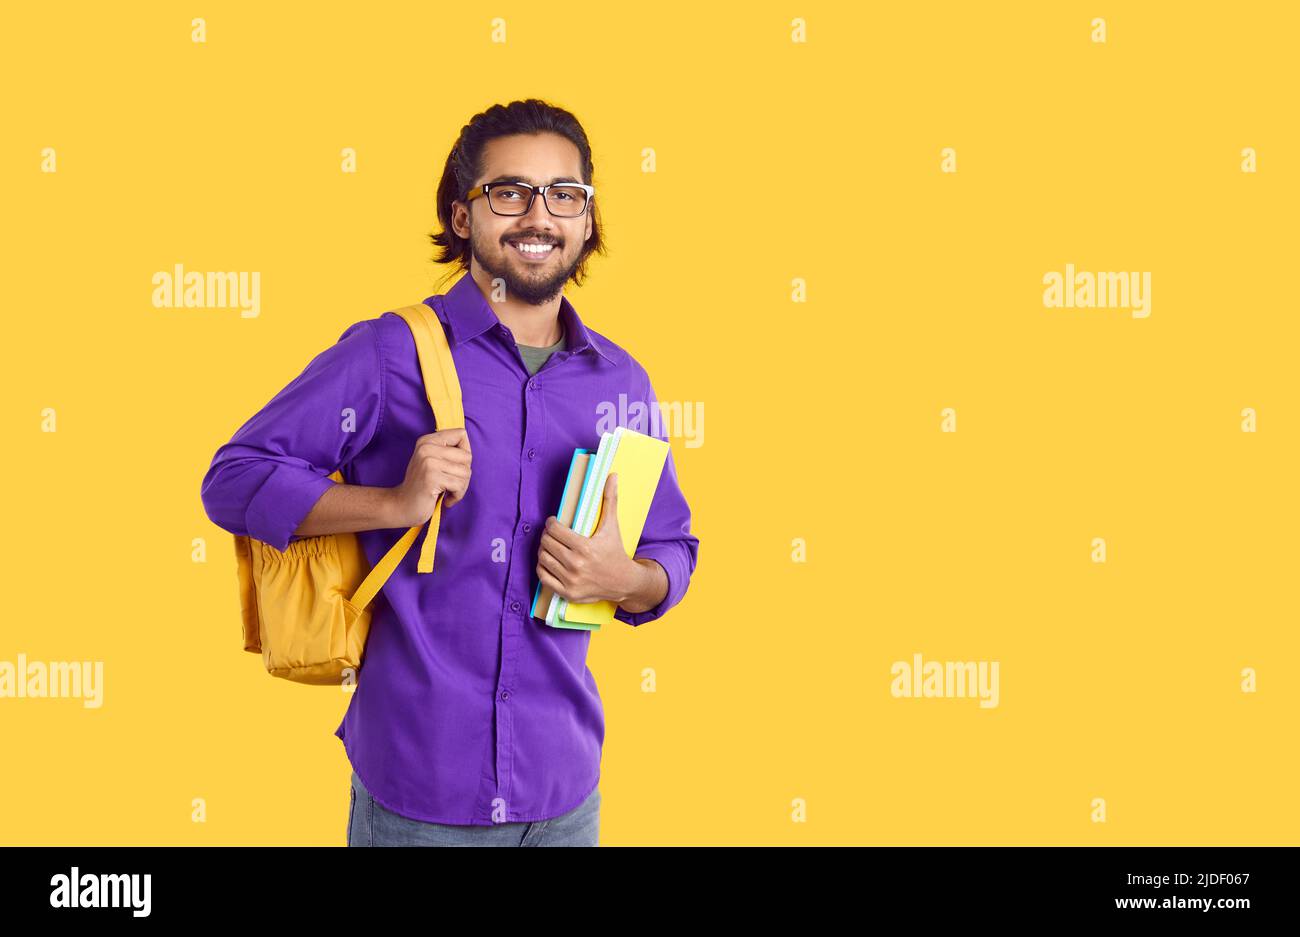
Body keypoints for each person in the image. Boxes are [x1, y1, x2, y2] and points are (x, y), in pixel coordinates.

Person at [199, 98, 700, 846]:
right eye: (510, 192)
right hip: (417, 791)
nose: (539, 216)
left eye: (565, 195)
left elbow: (674, 547)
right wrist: (392, 501)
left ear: (587, 221)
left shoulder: (620, 382)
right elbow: (233, 479)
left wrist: (621, 580)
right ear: (463, 217)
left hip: (565, 793)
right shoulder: (390, 352)